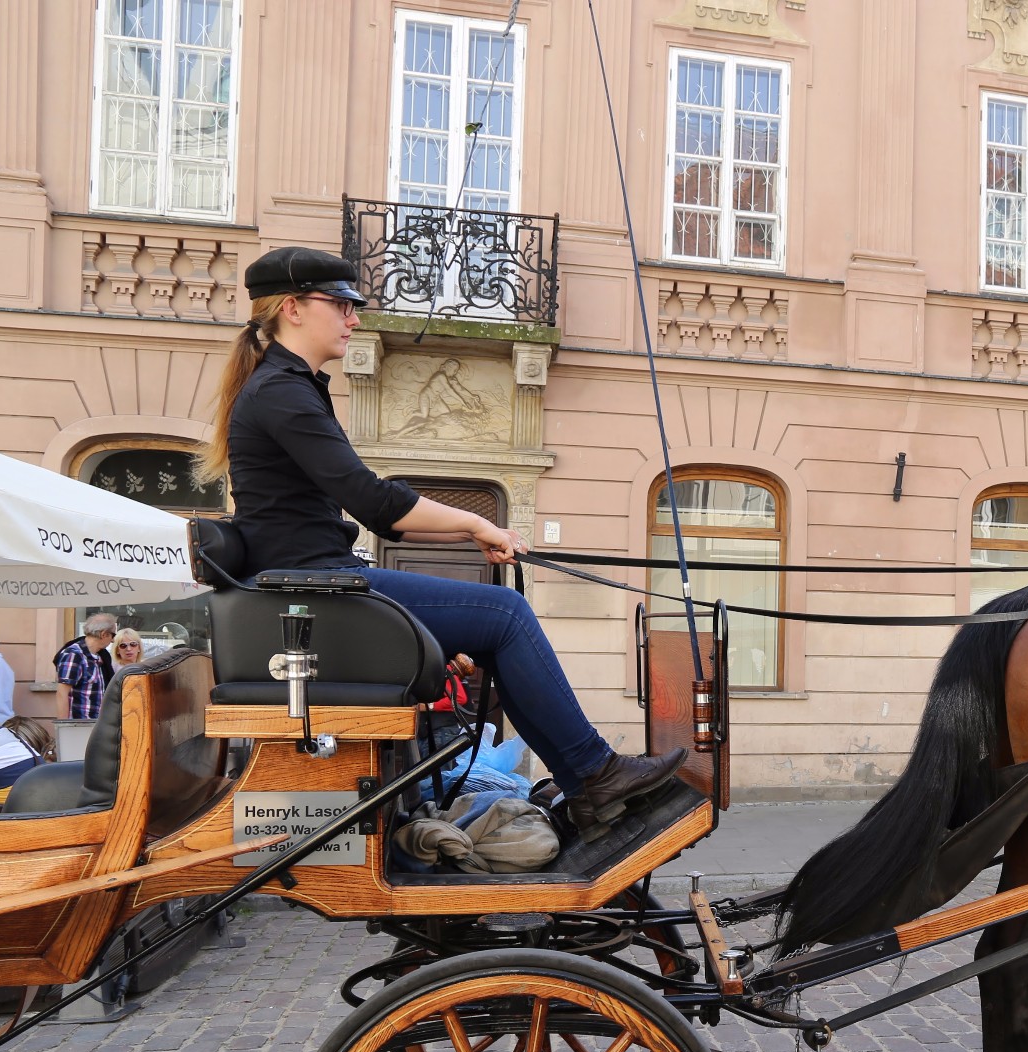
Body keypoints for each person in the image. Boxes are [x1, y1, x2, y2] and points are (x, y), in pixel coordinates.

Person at [200, 247, 684, 842]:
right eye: (343, 304)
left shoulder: (285, 386)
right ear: (294, 307)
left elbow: (379, 516)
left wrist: (430, 623)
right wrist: (478, 525)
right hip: (311, 592)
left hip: (315, 586)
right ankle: (593, 774)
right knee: (504, 614)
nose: (355, 318)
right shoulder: (282, 391)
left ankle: (588, 778)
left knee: (492, 622)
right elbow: (374, 502)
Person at [54, 614, 117, 720]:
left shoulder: (100, 656)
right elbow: (62, 694)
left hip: (95, 725)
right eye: (113, 635)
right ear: (103, 634)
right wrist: (63, 729)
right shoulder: (74, 655)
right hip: (78, 727)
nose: (113, 641)